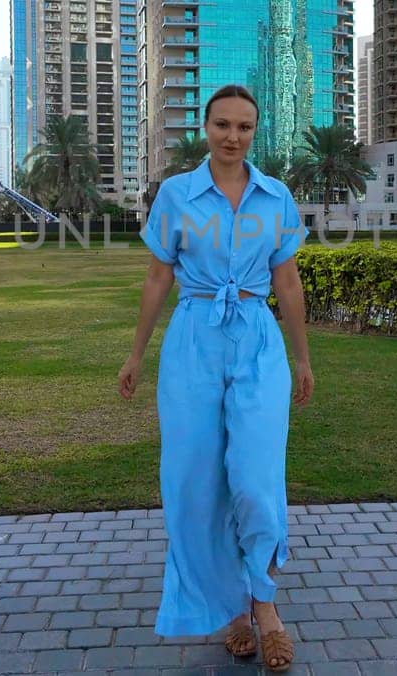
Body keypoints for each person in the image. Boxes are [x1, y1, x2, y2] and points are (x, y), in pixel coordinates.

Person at [118, 84, 313, 672]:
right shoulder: (177, 195)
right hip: (194, 341)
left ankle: (265, 603)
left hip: (256, 341)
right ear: (205, 128)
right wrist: (136, 355)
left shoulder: (275, 197)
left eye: (245, 127)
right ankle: (232, 610)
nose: (233, 136)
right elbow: (158, 279)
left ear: (256, 131)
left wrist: (303, 358)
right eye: (223, 124)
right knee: (198, 483)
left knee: (255, 480)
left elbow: (289, 284)